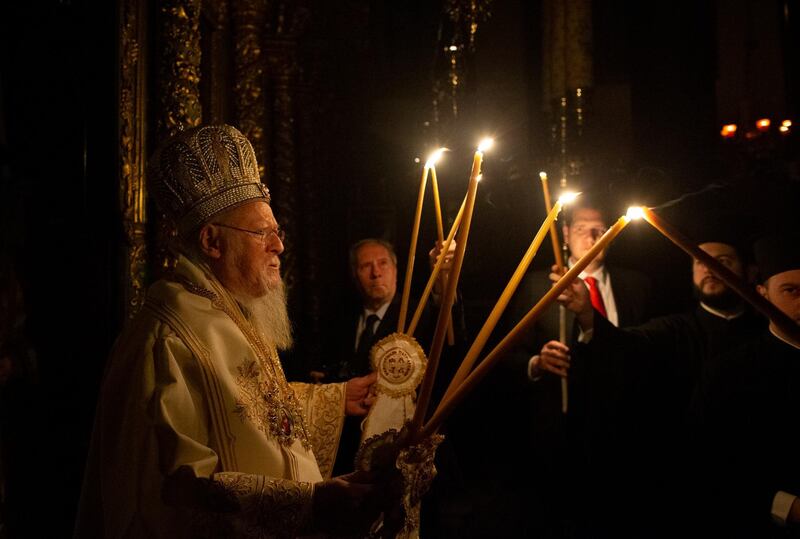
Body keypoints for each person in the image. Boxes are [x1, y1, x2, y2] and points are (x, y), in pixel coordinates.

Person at [74, 125, 396, 539]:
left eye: (278, 232)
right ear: (212, 241)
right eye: (263, 232)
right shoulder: (168, 340)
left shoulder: (226, 313)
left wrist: (332, 399)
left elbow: (245, 412)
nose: (279, 246)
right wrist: (312, 503)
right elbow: (182, 490)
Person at [553, 219, 766, 537]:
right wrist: (586, 313)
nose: (708, 269)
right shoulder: (675, 329)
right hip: (690, 481)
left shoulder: (768, 331)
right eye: (700, 261)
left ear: (749, 273)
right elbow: (624, 346)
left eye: (722, 262)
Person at [496, 196, 651, 537]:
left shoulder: (636, 285)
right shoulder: (538, 285)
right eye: (582, 229)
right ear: (564, 233)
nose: (592, 238)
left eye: (600, 229)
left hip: (619, 432)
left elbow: (645, 353)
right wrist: (537, 362)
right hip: (557, 433)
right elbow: (505, 354)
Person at [693, 234, 800, 538]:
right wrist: (789, 506)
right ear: (763, 294)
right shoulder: (728, 374)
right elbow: (709, 468)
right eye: (791, 290)